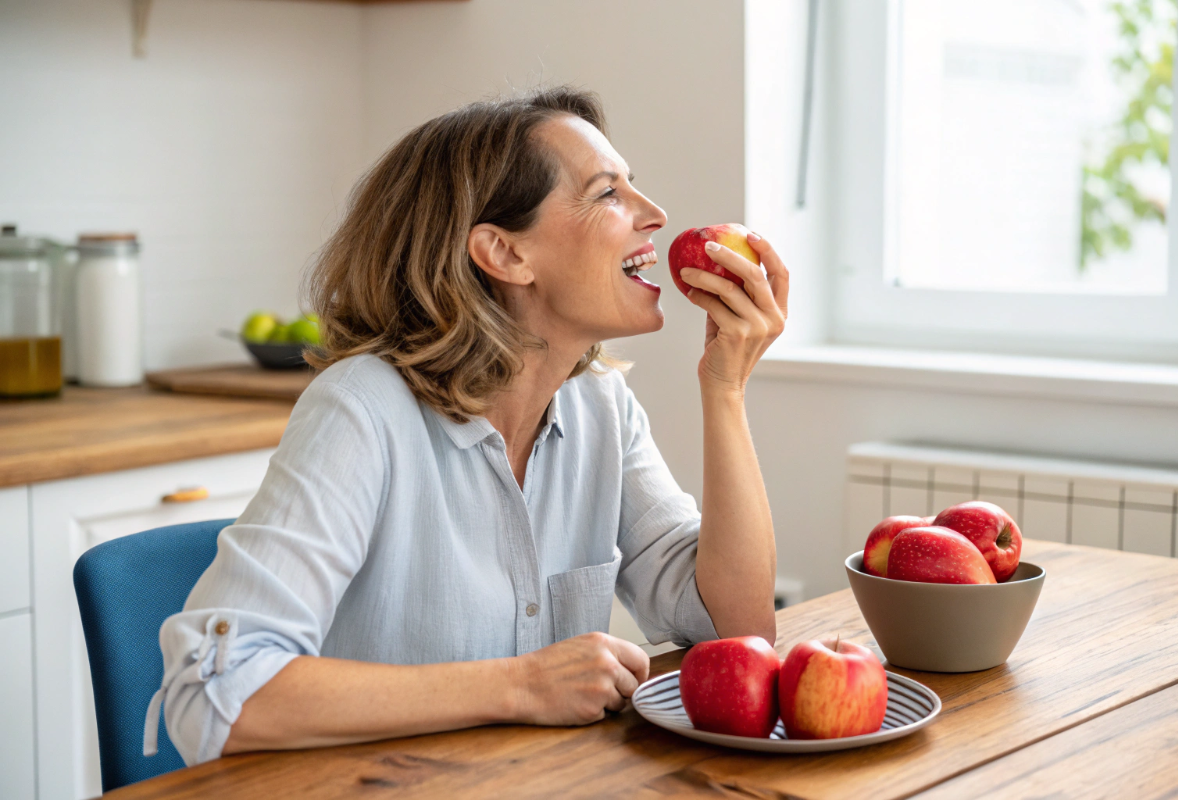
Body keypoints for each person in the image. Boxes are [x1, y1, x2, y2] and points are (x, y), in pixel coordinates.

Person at [146, 86, 788, 766]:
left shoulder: (601, 407)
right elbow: (213, 694)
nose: (653, 214)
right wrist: (519, 685)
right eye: (608, 194)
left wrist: (726, 389)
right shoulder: (361, 410)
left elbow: (737, 632)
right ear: (505, 254)